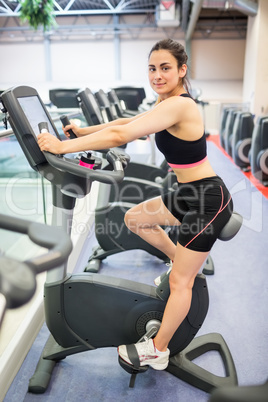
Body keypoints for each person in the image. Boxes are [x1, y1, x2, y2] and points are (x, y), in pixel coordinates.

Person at [37, 38, 233, 371]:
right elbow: (122, 126)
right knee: (136, 218)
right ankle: (179, 260)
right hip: (190, 194)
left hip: (207, 199)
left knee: (180, 283)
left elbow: (119, 138)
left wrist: (61, 147)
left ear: (182, 70)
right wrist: (84, 130)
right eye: (153, 68)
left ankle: (157, 350)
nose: (157, 75)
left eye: (165, 68)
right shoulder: (165, 101)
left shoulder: (180, 105)